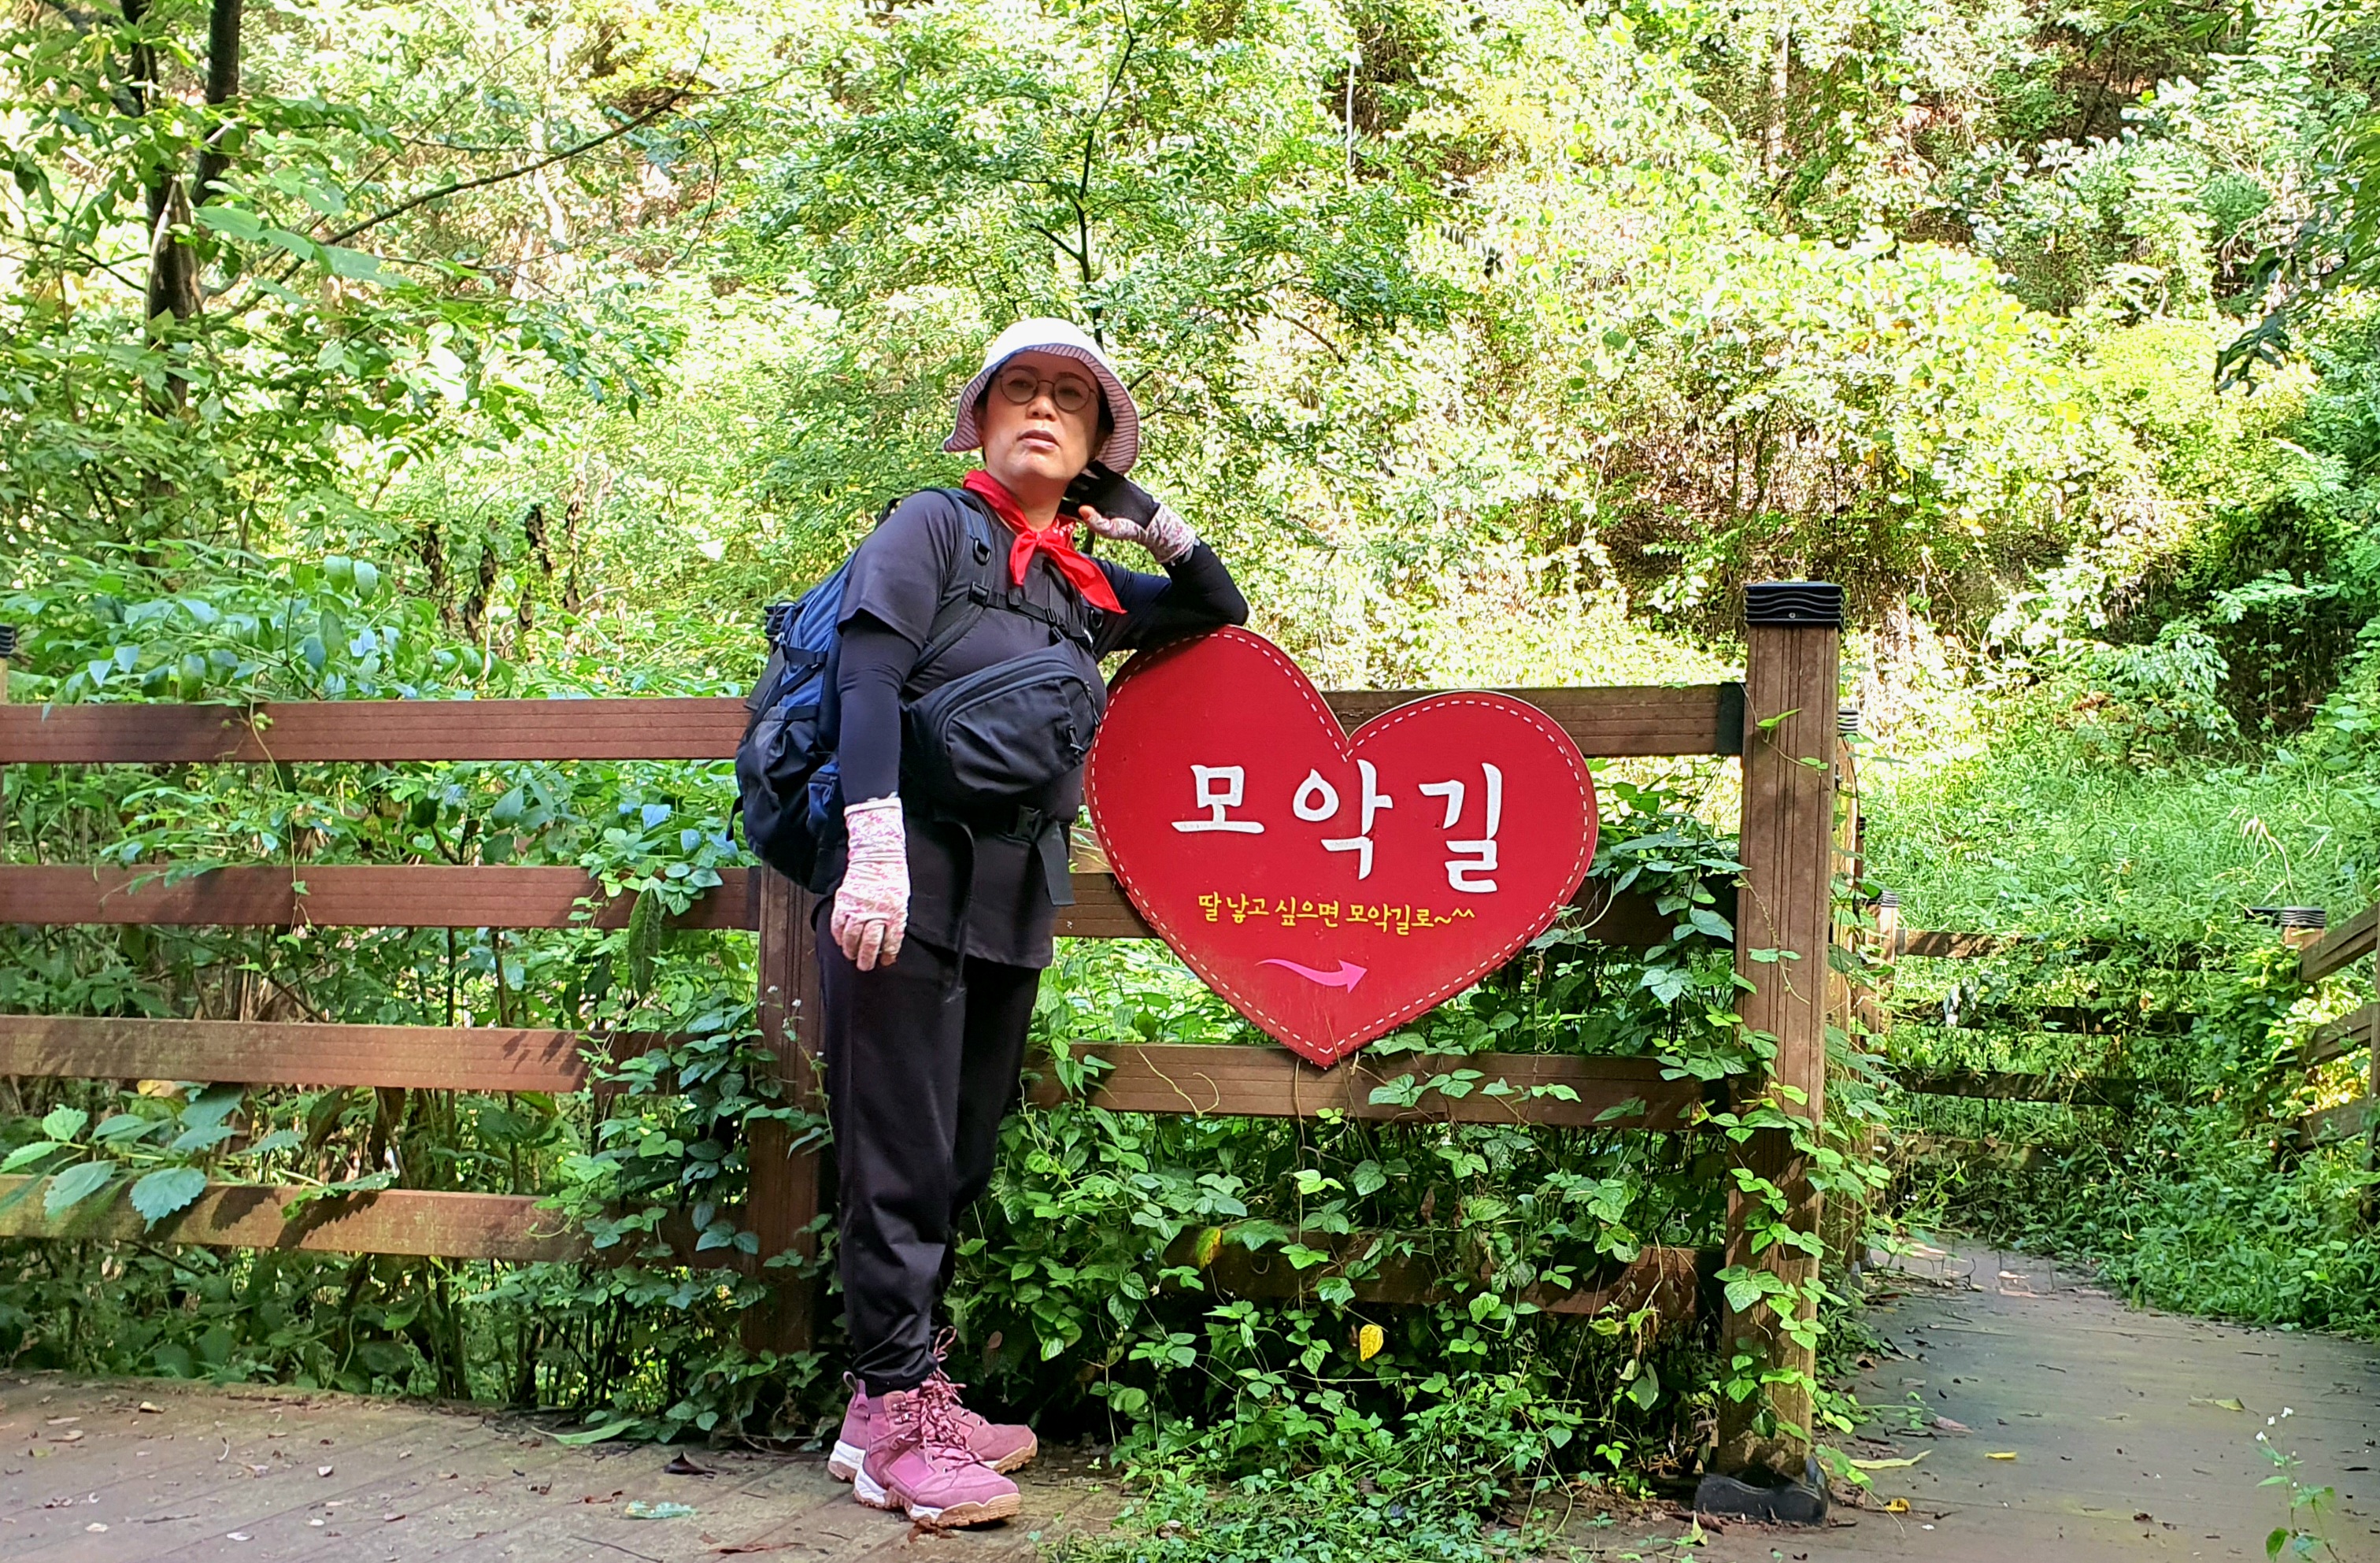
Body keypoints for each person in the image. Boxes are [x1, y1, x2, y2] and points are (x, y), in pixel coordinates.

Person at [814, 319, 1248, 1527]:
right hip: (904, 887)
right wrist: (873, 851)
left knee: (956, 1155)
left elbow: (1217, 605)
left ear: (1098, 437)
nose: (1044, 409)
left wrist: (1140, 514)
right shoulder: (930, 527)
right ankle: (895, 1419)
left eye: (1072, 396)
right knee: (896, 1154)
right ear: (983, 416)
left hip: (1010, 897)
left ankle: (891, 1397)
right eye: (1022, 389)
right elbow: (866, 678)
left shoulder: (1079, 586)